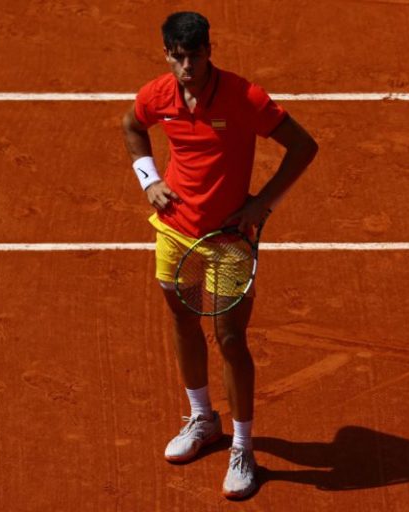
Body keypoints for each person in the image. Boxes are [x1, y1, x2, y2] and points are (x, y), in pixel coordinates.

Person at [121, 11, 318, 500]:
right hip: (175, 234)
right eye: (178, 56)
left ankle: (243, 447)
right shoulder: (157, 95)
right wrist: (150, 181)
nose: (188, 66)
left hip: (230, 239)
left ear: (210, 50)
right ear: (167, 53)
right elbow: (132, 125)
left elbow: (303, 146)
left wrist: (261, 203)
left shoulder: (244, 97)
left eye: (196, 55)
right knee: (183, 321)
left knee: (230, 339)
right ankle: (203, 419)